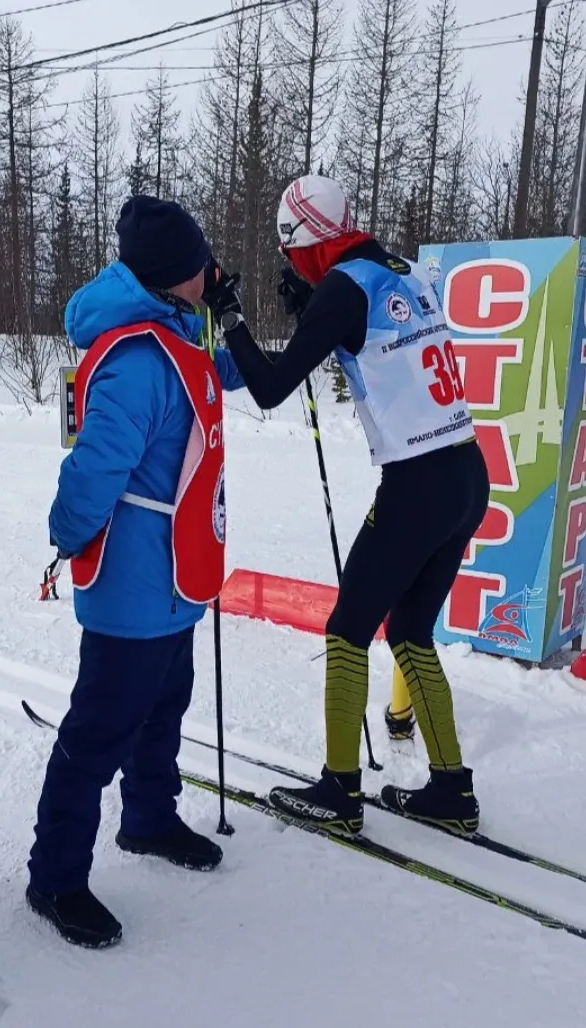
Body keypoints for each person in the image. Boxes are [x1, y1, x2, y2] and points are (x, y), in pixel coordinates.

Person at [204, 173, 490, 837]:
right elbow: (369, 337)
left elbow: (272, 386)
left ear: (305, 244)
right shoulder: (403, 270)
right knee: (410, 629)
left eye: (291, 255)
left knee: (346, 630)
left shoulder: (341, 287)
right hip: (465, 473)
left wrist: (231, 315)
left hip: (416, 484)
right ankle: (451, 788)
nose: (290, 266)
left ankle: (338, 792)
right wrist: (312, 311)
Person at [27, 195, 247, 949]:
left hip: (177, 576)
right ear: (170, 277)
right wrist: (67, 533)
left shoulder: (175, 339)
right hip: (131, 582)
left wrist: (237, 320)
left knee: (164, 705)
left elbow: (223, 380)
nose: (207, 272)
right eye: (199, 265)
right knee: (99, 729)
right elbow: (93, 466)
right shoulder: (132, 359)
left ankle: (148, 819)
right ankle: (53, 874)